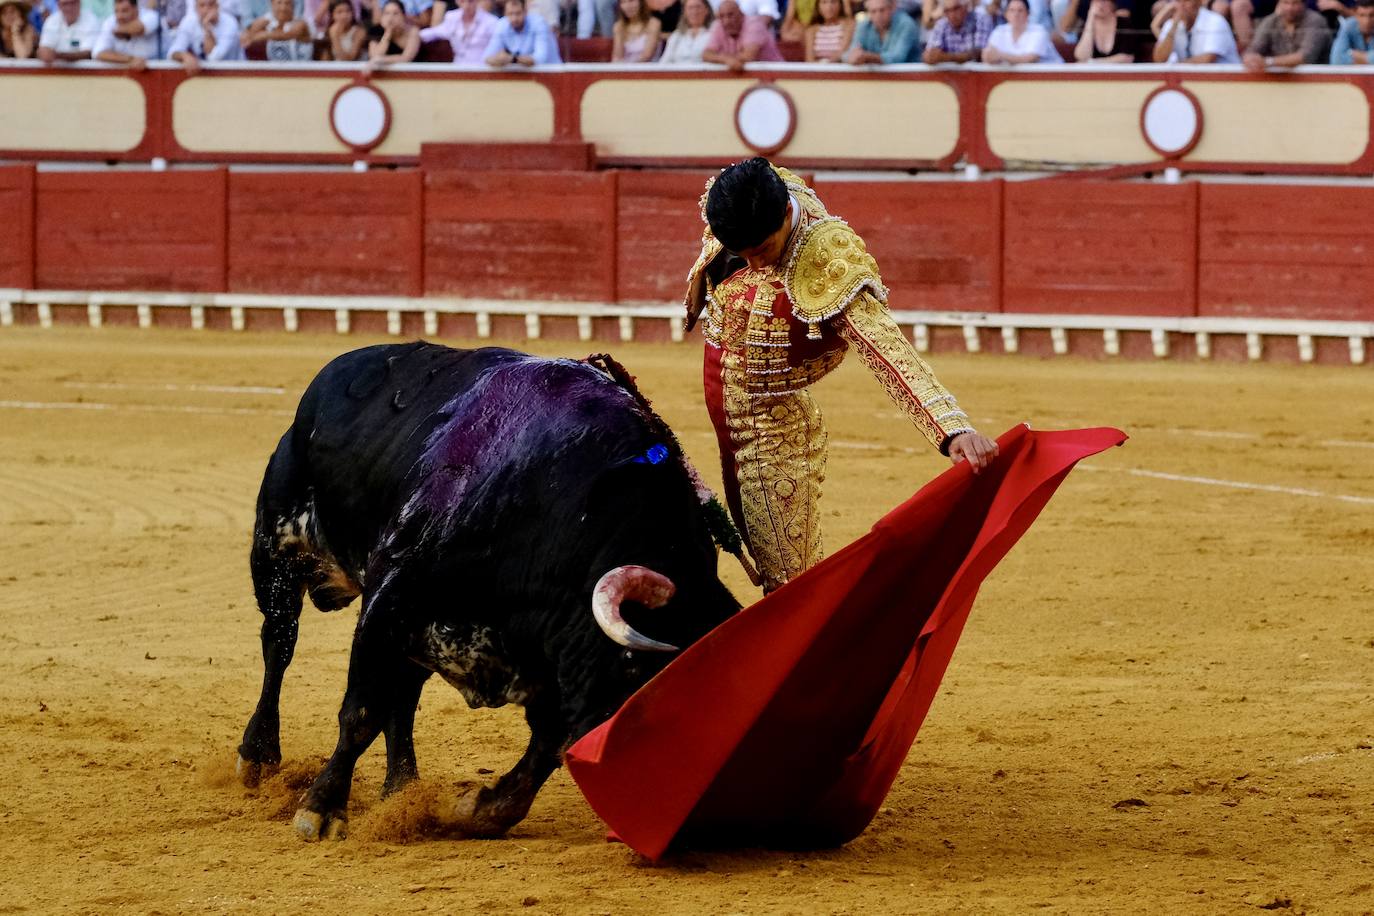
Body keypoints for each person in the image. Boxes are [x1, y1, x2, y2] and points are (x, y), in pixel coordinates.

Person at [684, 158, 998, 592]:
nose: (755, 264)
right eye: (744, 252)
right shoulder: (748, 193)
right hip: (731, 396)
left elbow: (886, 348)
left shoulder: (828, 261)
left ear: (784, 217)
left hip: (770, 423)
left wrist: (953, 430)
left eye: (762, 250)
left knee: (789, 583)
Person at [1242, 0, 1330, 68]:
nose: (1289, 8)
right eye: (1285, 2)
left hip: (1316, 80)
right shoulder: (1271, 21)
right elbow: (1253, 49)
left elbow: (1306, 57)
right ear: (1279, 4)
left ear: (1304, 4)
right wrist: (1250, 59)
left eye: (1295, 3)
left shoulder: (1315, 21)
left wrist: (1268, 62)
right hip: (1277, 81)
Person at [1152, 0, 1240, 61]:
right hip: (1191, 81)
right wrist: (1174, 26)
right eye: (1178, 1)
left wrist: (1176, 66)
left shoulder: (1215, 21)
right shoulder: (1171, 24)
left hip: (1223, 81)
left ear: (1198, 4)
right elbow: (1159, 58)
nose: (1182, 5)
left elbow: (1207, 59)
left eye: (1187, 1)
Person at [701, 0, 782, 66]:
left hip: (777, 76)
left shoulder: (754, 24)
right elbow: (706, 54)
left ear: (741, 15)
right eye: (722, 16)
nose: (726, 21)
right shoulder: (719, 25)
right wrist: (726, 60)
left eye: (730, 15)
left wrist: (723, 59)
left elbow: (748, 56)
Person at [168, 0, 242, 67]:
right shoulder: (189, 21)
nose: (206, 10)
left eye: (211, 5)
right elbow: (172, 52)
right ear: (196, 8)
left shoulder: (229, 23)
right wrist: (184, 56)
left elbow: (214, 58)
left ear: (217, 6)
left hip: (235, 72)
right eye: (202, 5)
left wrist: (207, 30)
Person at [483, 0, 560, 63]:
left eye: (518, 13)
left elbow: (540, 58)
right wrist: (497, 60)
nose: (514, 18)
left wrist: (513, 59)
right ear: (505, 14)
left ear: (525, 12)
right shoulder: (502, 24)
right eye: (510, 14)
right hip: (525, 76)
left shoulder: (539, 23)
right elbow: (486, 57)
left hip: (551, 73)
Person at [420, 0, 498, 61]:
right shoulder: (452, 17)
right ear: (457, 1)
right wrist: (414, 35)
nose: (467, 5)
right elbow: (433, 33)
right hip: (458, 69)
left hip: (482, 69)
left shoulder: (491, 22)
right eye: (462, 1)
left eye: (470, 1)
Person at [845, 0, 919, 63]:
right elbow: (849, 54)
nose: (878, 15)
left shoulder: (906, 24)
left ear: (892, 8)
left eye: (882, 10)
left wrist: (867, 57)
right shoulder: (864, 25)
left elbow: (897, 57)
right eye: (873, 11)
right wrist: (853, 57)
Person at [982, 0, 1059, 60]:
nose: (1016, 14)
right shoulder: (999, 31)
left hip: (1053, 78)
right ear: (1006, 14)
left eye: (1020, 10)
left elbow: (1031, 58)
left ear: (1028, 13)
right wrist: (989, 56)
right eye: (1012, 10)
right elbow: (987, 55)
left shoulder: (1039, 31)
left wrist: (1000, 56)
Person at [93, 0, 161, 67]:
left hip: (160, 67)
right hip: (133, 69)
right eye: (116, 11)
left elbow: (138, 28)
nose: (119, 16)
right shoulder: (110, 22)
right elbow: (98, 53)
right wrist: (130, 59)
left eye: (124, 11)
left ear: (135, 9)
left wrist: (118, 31)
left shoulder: (151, 16)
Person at [922, 0, 992, 62]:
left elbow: (978, 53)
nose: (952, 15)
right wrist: (930, 56)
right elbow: (929, 55)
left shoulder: (980, 20)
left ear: (966, 7)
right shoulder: (942, 24)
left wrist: (944, 57)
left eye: (956, 8)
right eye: (947, 10)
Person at [242, 0, 315, 59]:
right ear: (272, 4)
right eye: (279, 3)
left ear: (293, 5)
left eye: (287, 3)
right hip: (272, 71)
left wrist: (264, 34)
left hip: (302, 71)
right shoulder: (264, 21)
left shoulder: (301, 23)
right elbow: (247, 38)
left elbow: (288, 35)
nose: (283, 8)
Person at [1073, 0, 1139, 58]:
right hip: (1095, 71)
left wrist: (1094, 63)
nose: (1100, 5)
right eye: (1096, 1)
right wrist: (1090, 18)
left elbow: (1126, 57)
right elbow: (1081, 56)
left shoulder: (1124, 24)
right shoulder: (1086, 25)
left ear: (1113, 4)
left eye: (1104, 1)